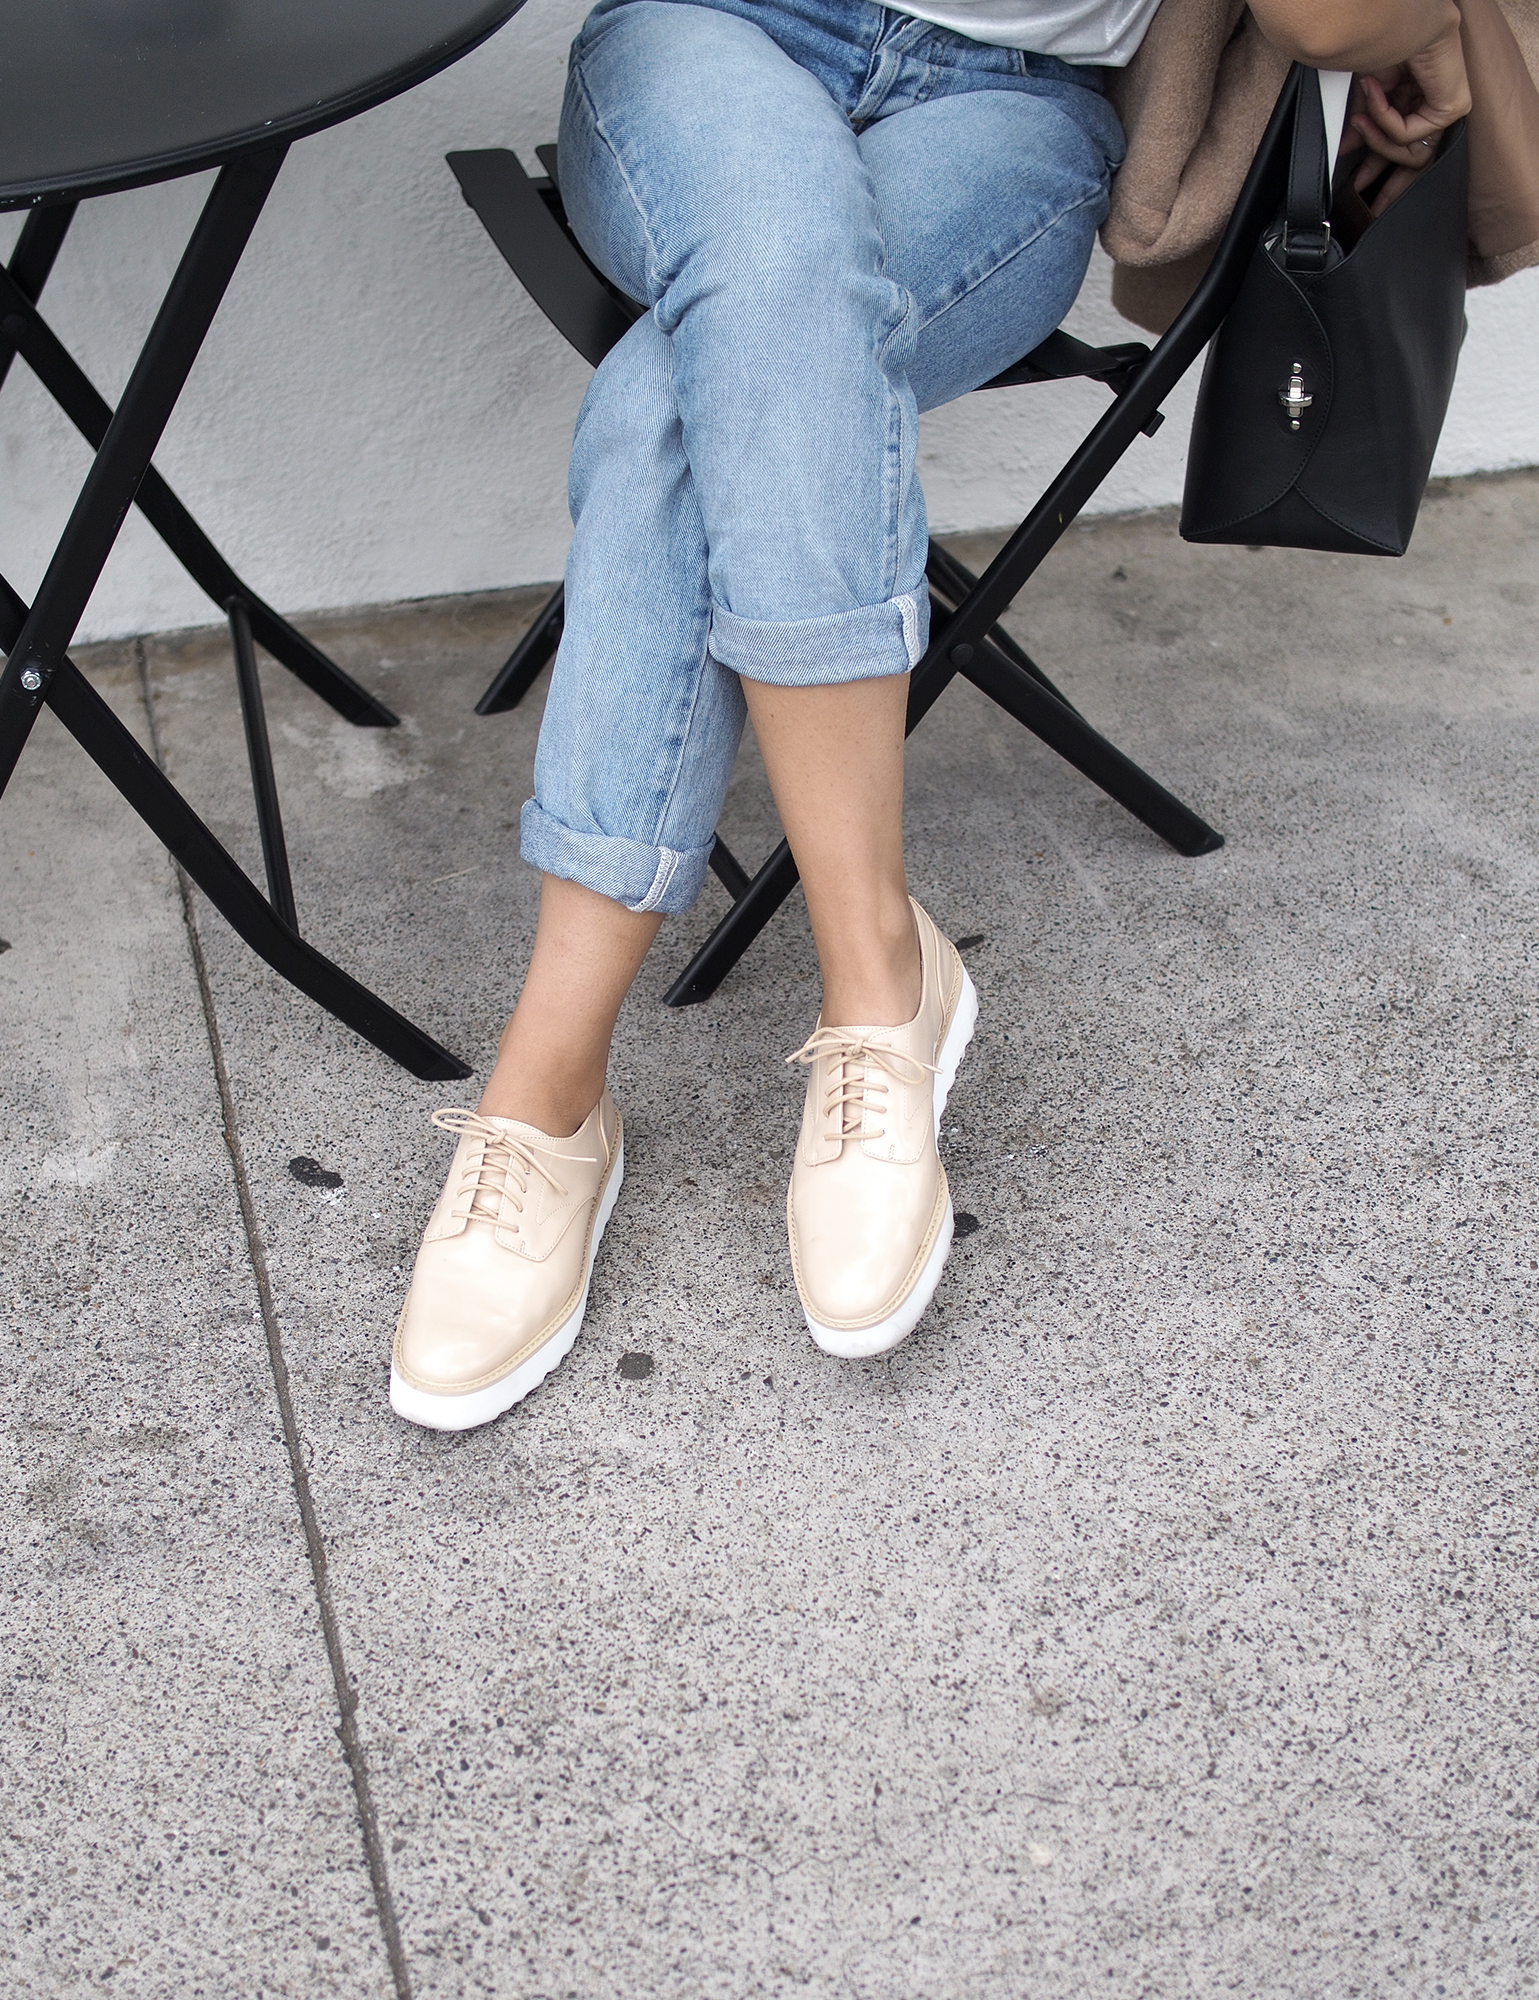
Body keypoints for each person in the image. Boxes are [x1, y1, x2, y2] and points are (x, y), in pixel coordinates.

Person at [389, 0, 1516, 1433]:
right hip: (712, 35)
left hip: (1019, 102)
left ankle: (553, 1093)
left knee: (685, 393)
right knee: (771, 276)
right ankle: (876, 983)